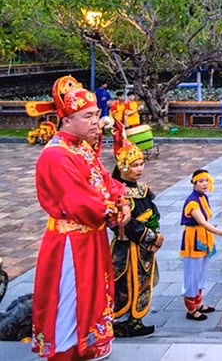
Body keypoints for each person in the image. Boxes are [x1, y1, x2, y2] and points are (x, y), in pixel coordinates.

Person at [31, 76, 130, 360]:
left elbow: (103, 181)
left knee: (91, 294)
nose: (94, 121)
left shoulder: (81, 148)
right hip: (70, 242)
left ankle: (86, 344)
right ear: (66, 121)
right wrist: (113, 212)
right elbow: (81, 201)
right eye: (87, 116)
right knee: (69, 298)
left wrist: (122, 198)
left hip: (91, 237)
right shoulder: (56, 155)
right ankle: (63, 351)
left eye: (96, 114)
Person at [110, 124, 163, 338]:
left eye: (141, 164)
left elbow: (153, 211)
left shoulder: (143, 189)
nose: (139, 169)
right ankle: (121, 322)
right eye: (134, 165)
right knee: (124, 284)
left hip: (143, 249)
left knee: (142, 282)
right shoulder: (118, 192)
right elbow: (128, 225)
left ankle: (135, 319)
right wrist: (152, 237)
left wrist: (155, 229)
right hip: (127, 247)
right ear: (123, 167)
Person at [180, 170, 222, 321]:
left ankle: (198, 303)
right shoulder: (193, 201)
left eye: (206, 181)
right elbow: (202, 221)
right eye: (200, 181)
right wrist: (220, 232)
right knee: (193, 275)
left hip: (203, 238)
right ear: (194, 183)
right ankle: (190, 308)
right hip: (193, 240)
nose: (204, 184)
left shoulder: (203, 197)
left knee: (201, 273)